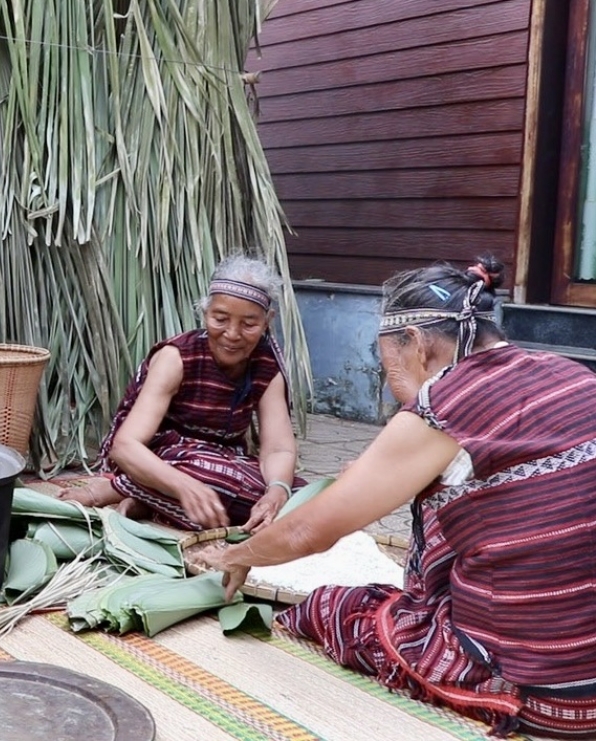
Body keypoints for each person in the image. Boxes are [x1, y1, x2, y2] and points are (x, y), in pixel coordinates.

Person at [213, 257, 596, 738]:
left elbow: (311, 530)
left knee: (335, 609)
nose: (392, 385)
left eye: (385, 364)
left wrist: (239, 555)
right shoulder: (573, 375)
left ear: (414, 344)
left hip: (537, 690)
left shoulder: (448, 401)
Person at [63, 255, 301, 534]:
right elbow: (125, 446)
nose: (232, 334)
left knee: (304, 498)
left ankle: (148, 501)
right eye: (220, 319)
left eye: (249, 324)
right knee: (210, 482)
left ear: (267, 321)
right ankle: (121, 487)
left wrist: (277, 491)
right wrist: (184, 485)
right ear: (205, 313)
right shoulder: (177, 357)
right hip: (162, 458)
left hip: (222, 462)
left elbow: (278, 449)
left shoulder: (266, 364)